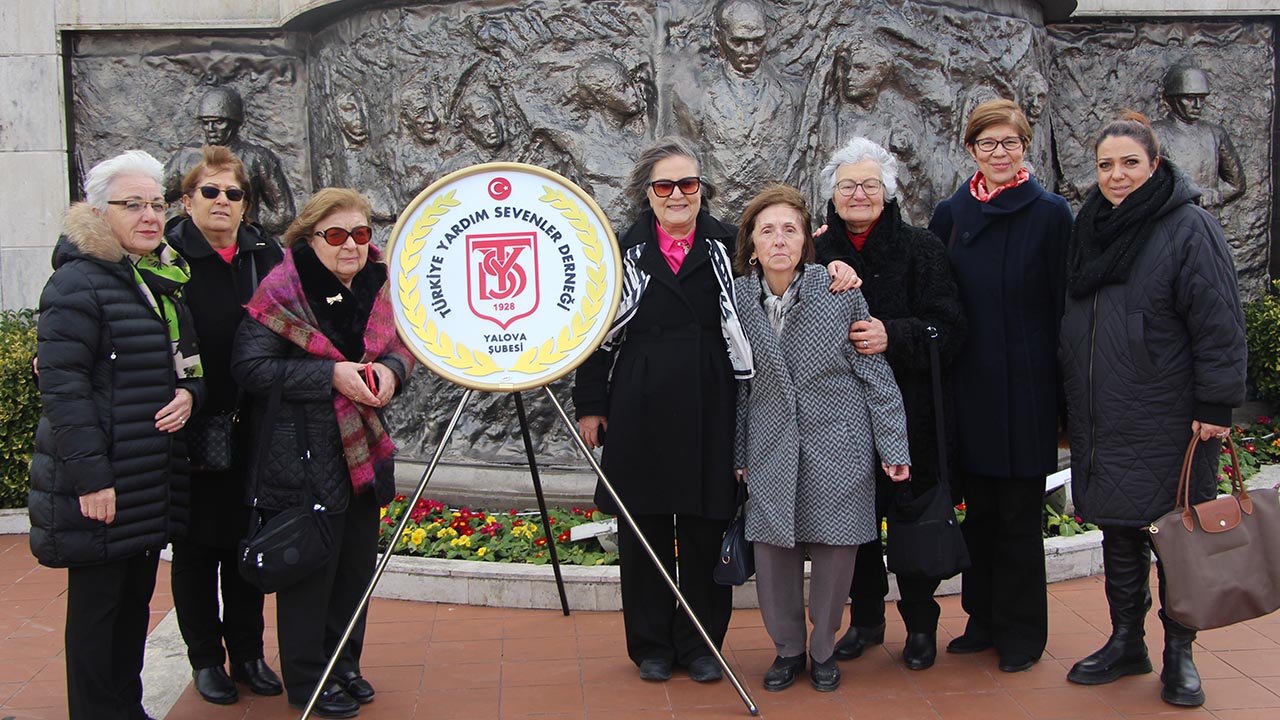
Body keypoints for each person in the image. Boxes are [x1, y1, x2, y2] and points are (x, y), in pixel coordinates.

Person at [1059, 112, 1246, 707]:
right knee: (1118, 524)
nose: (1116, 176)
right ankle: (1125, 641)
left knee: (1175, 533)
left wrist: (1217, 404)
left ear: (1155, 164)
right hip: (1105, 408)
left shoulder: (1189, 227)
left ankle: (1180, 653)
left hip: (1171, 413)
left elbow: (1218, 322)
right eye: (1106, 165)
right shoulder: (1090, 228)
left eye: (1129, 163)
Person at [29, 150, 205, 720]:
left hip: (144, 477)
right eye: (133, 205)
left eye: (156, 204)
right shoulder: (77, 283)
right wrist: (92, 479)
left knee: (132, 610)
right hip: (103, 480)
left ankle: (126, 710)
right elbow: (64, 389)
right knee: (98, 617)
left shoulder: (149, 277)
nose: (150, 216)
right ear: (100, 213)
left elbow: (180, 365)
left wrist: (190, 395)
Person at [572, 138, 751, 685]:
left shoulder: (732, 247)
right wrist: (592, 404)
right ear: (646, 194)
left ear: (703, 191)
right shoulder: (619, 251)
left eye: (689, 184)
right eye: (665, 185)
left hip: (712, 402)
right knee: (643, 531)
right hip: (639, 404)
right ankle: (650, 645)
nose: (678, 195)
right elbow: (595, 334)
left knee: (705, 527)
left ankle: (700, 645)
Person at [231, 188, 416, 718]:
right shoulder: (283, 289)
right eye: (336, 235)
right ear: (309, 239)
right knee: (312, 571)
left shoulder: (382, 286)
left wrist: (391, 372)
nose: (351, 245)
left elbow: (404, 346)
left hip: (362, 448)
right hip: (303, 451)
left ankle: (345, 664)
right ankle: (309, 680)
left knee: (356, 564)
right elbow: (250, 369)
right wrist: (328, 375)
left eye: (360, 234)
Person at [732, 184, 910, 692]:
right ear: (752, 244)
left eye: (790, 229)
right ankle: (788, 649)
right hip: (770, 445)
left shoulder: (838, 291)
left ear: (807, 238)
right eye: (768, 231)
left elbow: (874, 374)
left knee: (836, 552)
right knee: (773, 553)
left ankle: (824, 647)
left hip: (838, 443)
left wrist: (893, 448)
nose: (779, 240)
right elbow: (738, 386)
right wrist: (740, 452)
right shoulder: (738, 299)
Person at [928, 99, 1072, 673]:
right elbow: (932, 288)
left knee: (1017, 518)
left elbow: (1064, 303)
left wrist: (1063, 397)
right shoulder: (951, 214)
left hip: (1025, 392)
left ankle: (1021, 632)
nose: (998, 154)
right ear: (970, 150)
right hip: (968, 391)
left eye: (1009, 143)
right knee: (979, 514)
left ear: (1024, 148)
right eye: (987, 144)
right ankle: (981, 619)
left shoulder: (1051, 213)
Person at [813, 138, 966, 671]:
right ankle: (867, 621)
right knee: (855, 526)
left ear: (889, 193)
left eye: (870, 185)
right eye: (847, 185)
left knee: (914, 521)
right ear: (832, 194)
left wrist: (894, 334)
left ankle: (921, 627)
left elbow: (951, 328)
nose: (859, 194)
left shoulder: (922, 248)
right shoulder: (815, 252)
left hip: (914, 414)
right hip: (839, 419)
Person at [164, 146, 285, 704]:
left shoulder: (266, 254)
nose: (221, 202)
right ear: (187, 200)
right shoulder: (167, 259)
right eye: (209, 192)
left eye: (232, 193)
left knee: (245, 544)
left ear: (246, 204)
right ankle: (206, 659)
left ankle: (249, 653)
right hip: (192, 426)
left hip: (255, 427)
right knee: (196, 550)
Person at [163, 86, 295, 235]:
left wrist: (249, 228)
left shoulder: (257, 158)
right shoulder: (186, 157)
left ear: (234, 123)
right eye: (206, 123)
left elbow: (284, 215)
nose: (211, 128)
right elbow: (156, 195)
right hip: (191, 243)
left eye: (219, 122)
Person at [1151, 62, 1245, 213]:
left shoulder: (1215, 133)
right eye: (1189, 98)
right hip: (1170, 220)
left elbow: (1237, 184)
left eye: (1202, 98)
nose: (1197, 105)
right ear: (1171, 99)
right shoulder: (1155, 133)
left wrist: (1215, 195)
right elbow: (1143, 183)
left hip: (1208, 219)